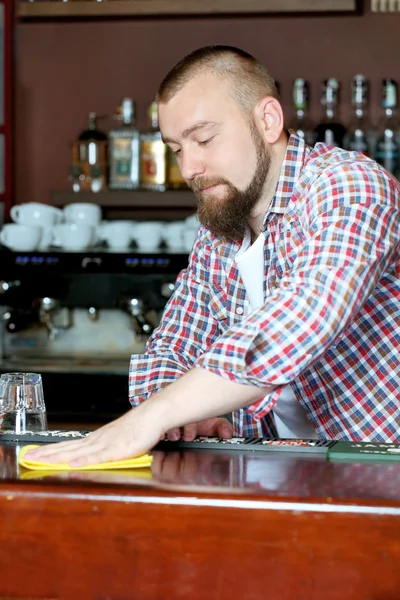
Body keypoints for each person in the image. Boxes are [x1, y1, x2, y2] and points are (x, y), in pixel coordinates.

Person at [27, 45, 400, 467]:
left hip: (380, 473)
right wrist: (184, 416)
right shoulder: (220, 230)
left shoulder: (351, 185)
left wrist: (151, 417)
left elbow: (302, 317)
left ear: (269, 120)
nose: (189, 168)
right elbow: (173, 346)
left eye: (204, 139)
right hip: (279, 477)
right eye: (176, 149)